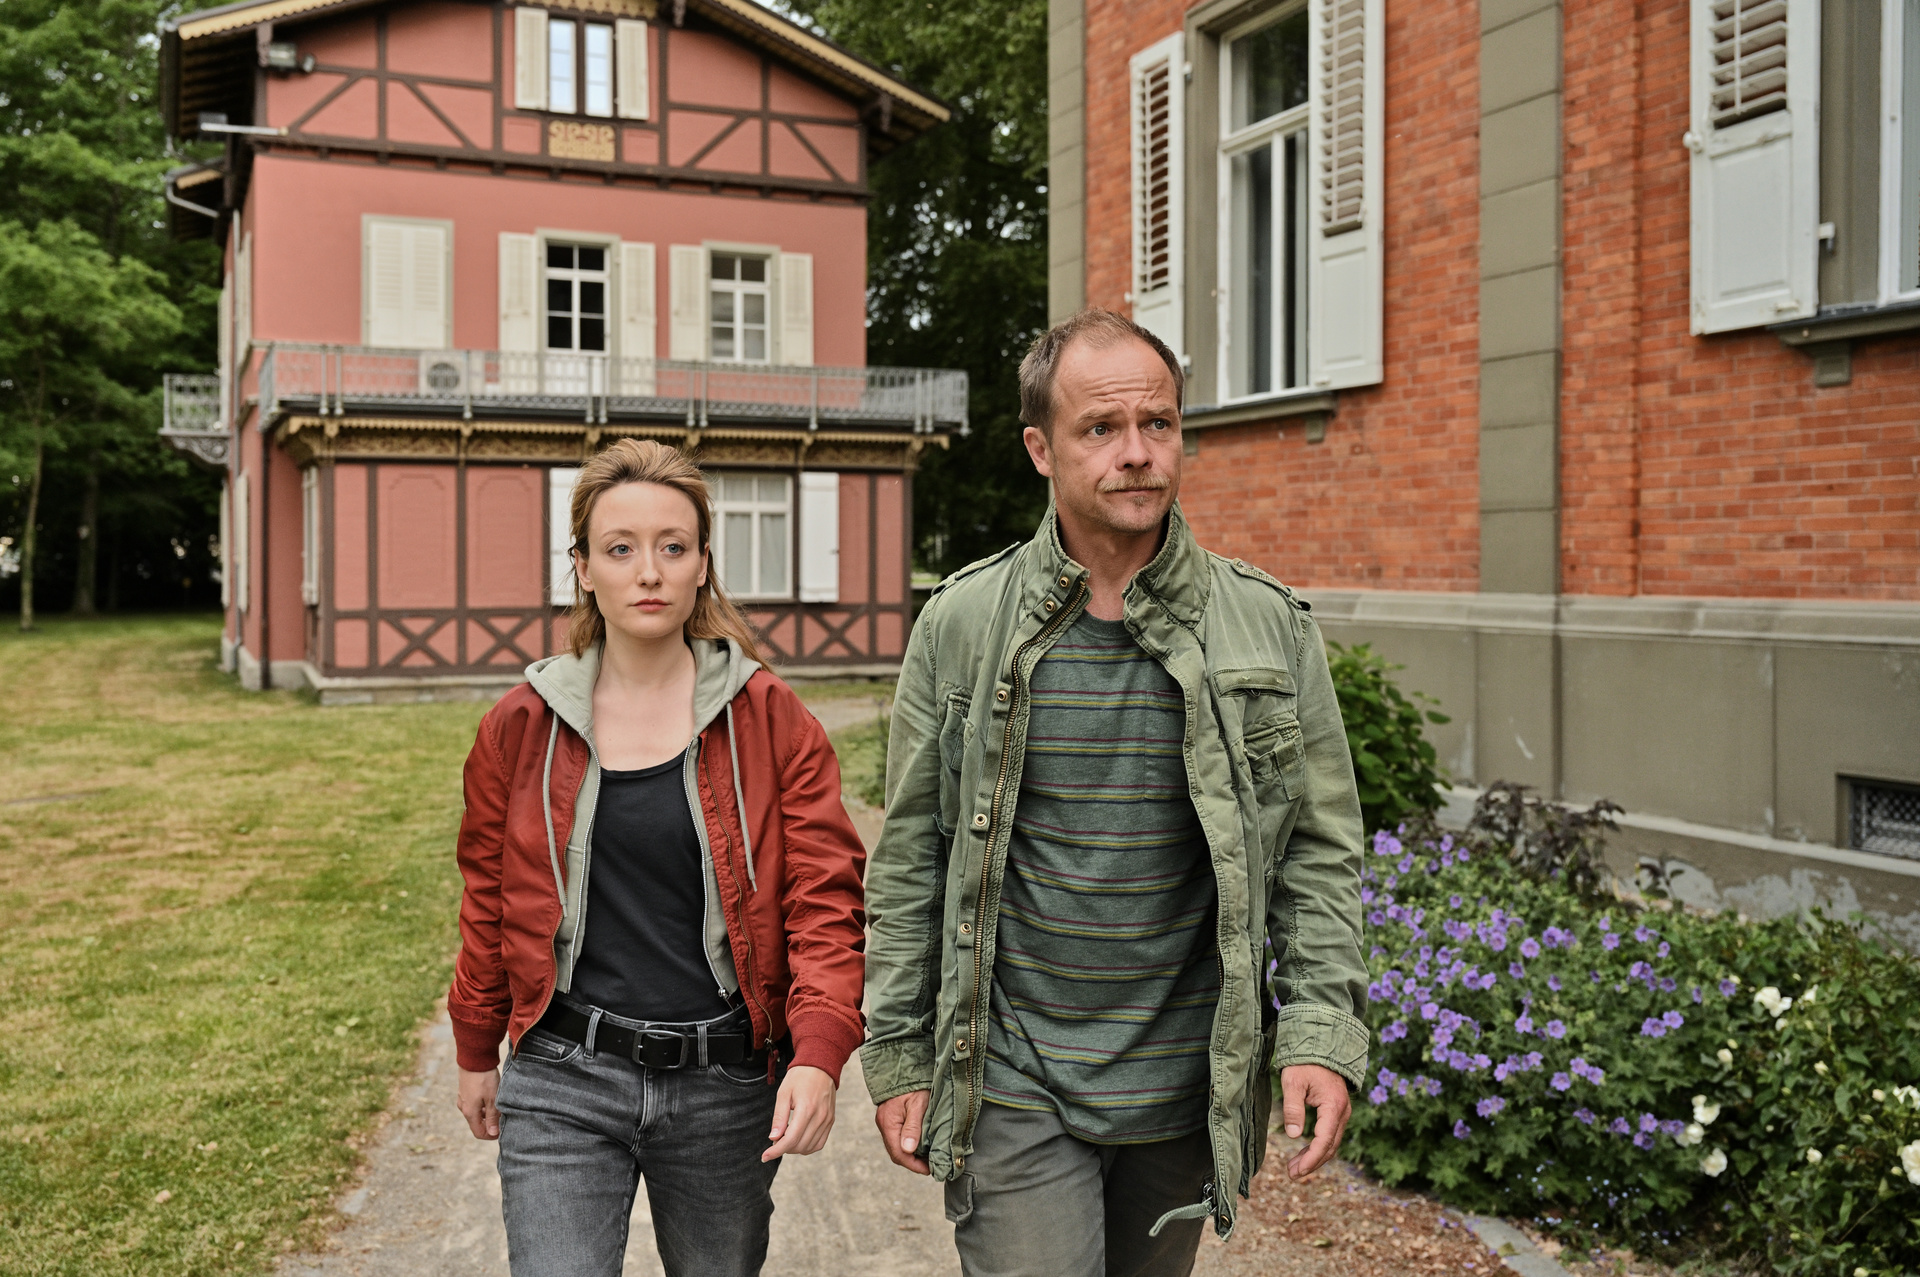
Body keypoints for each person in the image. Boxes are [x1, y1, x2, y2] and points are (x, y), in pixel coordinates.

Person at [861, 310, 1371, 1277]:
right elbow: (913, 855)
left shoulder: (1269, 626)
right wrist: (897, 1046)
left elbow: (1318, 851)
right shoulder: (962, 622)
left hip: (1184, 1086)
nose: (1137, 452)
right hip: (1011, 1077)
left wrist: (1317, 1030)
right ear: (1040, 449)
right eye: (1101, 428)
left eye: (1158, 423)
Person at [448, 438, 867, 1277]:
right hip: (563, 1074)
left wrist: (818, 1052)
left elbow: (825, 903)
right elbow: (490, 899)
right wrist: (474, 1045)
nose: (649, 571)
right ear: (582, 567)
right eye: (621, 548)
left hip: (724, 1084)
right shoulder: (521, 725)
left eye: (673, 547)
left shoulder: (772, 720)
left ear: (703, 564)